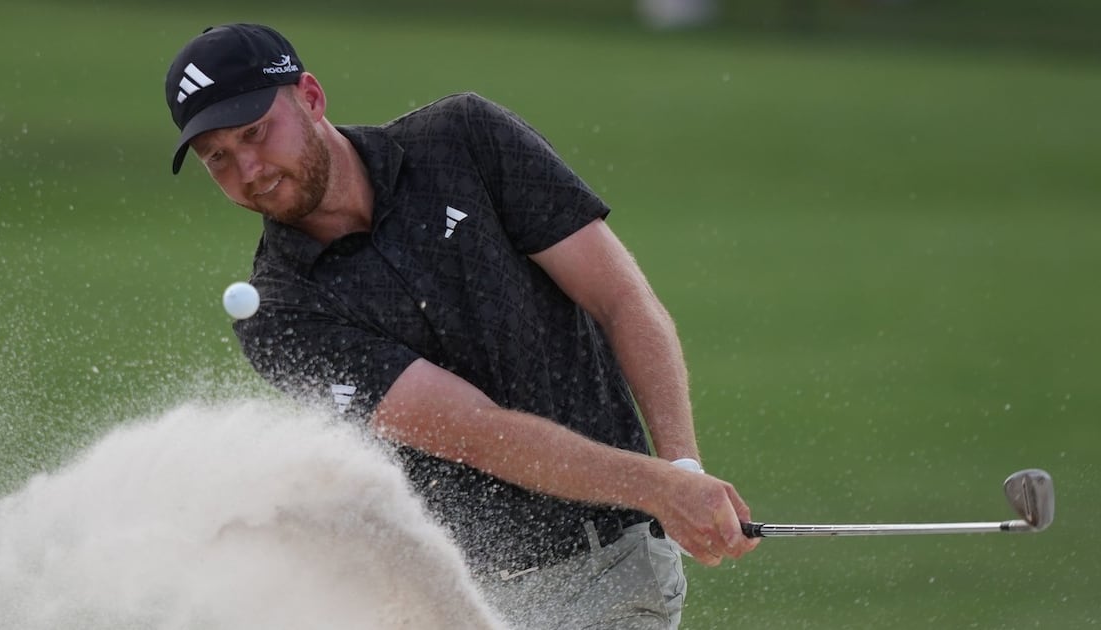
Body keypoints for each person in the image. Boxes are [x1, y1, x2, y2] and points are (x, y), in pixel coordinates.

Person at [164, 23, 758, 629]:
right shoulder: (280, 314)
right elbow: (475, 431)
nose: (249, 169)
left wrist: (680, 472)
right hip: (448, 604)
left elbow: (620, 301)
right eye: (219, 158)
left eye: (255, 132)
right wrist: (656, 486)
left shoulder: (465, 139)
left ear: (311, 98)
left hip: (610, 571)